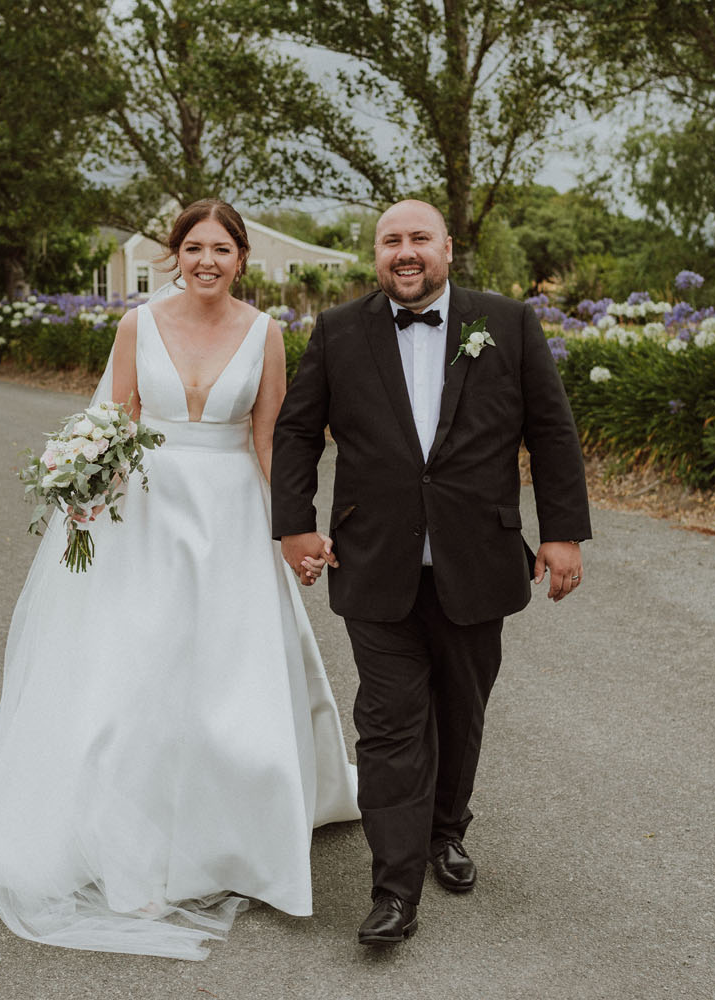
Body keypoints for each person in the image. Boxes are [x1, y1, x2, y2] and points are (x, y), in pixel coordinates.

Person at [0, 199, 360, 960]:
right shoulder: (136, 325)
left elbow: (269, 436)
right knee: (138, 672)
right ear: (176, 254)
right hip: (145, 513)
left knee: (230, 680)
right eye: (194, 247)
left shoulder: (268, 333)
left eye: (222, 248)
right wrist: (82, 499)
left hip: (233, 515)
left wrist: (292, 531)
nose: (207, 260)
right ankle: (129, 839)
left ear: (242, 258)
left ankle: (239, 835)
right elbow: (115, 419)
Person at [271, 199, 591, 946]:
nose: (405, 252)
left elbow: (550, 429)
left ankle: (449, 828)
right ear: (375, 254)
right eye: (391, 241)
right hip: (374, 561)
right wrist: (294, 524)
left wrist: (564, 533)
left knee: (461, 709)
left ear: (448, 247)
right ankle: (394, 891)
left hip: (476, 558)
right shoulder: (340, 330)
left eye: (419, 238)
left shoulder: (505, 322)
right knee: (388, 725)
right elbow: (295, 431)